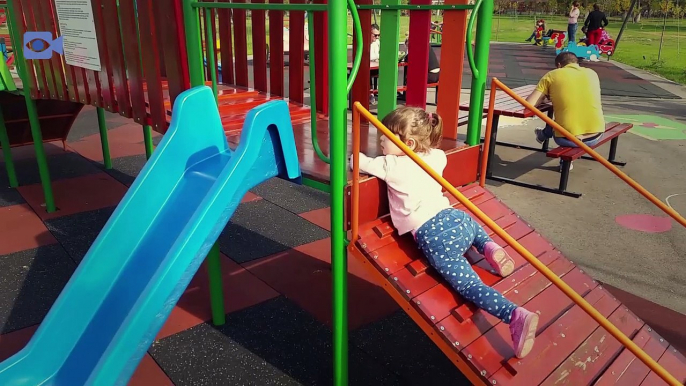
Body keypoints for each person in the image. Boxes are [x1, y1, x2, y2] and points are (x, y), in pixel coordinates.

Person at [351, 107, 539, 359]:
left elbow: (357, 161)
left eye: (385, 136)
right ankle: (488, 247)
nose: (380, 141)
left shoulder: (390, 165)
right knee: (473, 226)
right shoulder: (437, 156)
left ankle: (513, 314)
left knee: (469, 285)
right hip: (456, 218)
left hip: (434, 235)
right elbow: (433, 152)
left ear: (407, 143)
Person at [526, 52, 605, 171]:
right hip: (596, 134)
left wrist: (545, 96)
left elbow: (529, 105)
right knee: (564, 119)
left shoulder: (552, 75)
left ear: (558, 65)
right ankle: (543, 135)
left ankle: (544, 136)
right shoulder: (592, 73)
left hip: (567, 139)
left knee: (558, 124)